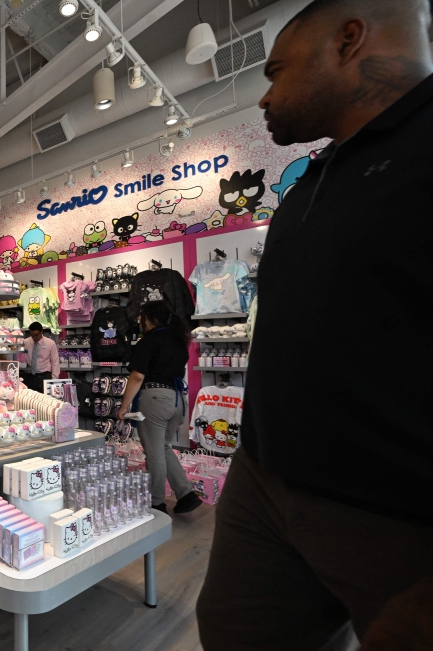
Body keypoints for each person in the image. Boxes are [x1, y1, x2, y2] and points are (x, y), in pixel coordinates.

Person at [197, 1, 433, 649]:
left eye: (276, 71)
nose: (264, 96)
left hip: (394, 510)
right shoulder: (314, 178)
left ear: (347, 40)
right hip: (263, 480)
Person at [116, 301, 201, 515]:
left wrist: (124, 407)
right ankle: (186, 494)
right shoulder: (178, 340)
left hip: (155, 399)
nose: (139, 320)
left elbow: (137, 376)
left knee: (154, 453)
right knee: (163, 447)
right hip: (177, 400)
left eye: (141, 315)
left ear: (150, 318)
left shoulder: (148, 341)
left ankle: (156, 503)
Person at [20, 322, 59, 392]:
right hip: (29, 377)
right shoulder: (25, 342)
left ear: (41, 332)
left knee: (45, 398)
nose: (34, 337)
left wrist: (54, 380)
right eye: (32, 335)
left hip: (44, 376)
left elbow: (55, 363)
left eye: (36, 335)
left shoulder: (50, 343)